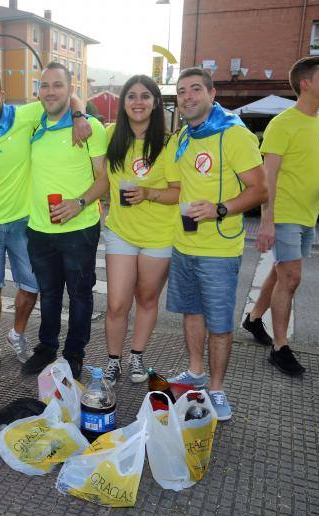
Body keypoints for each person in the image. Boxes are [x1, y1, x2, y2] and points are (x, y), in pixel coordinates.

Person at [0, 70, 92, 373]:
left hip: (24, 222)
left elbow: (62, 95)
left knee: (33, 285)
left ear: (2, 95)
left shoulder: (25, 116)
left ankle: (16, 334)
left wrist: (80, 115)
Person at [165, 68, 267, 421]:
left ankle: (218, 389)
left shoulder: (233, 134)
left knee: (220, 324)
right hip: (185, 243)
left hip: (219, 250)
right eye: (181, 92)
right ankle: (195, 372)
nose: (188, 96)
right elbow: (177, 187)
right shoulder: (183, 137)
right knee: (192, 313)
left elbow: (260, 189)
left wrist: (220, 209)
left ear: (212, 93)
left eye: (195, 89)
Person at [243, 56, 319, 375]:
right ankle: (280, 347)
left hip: (308, 214)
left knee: (280, 271)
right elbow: (267, 176)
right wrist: (267, 222)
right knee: (291, 276)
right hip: (284, 213)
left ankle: (254, 318)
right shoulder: (283, 123)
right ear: (306, 83)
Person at [21, 62, 109, 379]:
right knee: (49, 294)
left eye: (58, 85)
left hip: (79, 229)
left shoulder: (90, 129)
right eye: (44, 86)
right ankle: (46, 348)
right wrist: (77, 110)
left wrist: (79, 203)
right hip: (39, 230)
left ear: (70, 89)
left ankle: (74, 355)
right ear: (38, 91)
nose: (50, 92)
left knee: (80, 295)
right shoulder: (32, 126)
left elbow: (104, 180)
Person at [102, 75, 180, 386]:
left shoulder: (169, 142)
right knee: (117, 303)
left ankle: (137, 354)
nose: (138, 102)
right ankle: (113, 360)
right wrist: (80, 115)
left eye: (145, 96)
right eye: (131, 96)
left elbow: (178, 191)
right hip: (121, 231)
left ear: (156, 102)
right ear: (122, 103)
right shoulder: (110, 135)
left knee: (146, 299)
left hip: (160, 234)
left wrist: (149, 193)